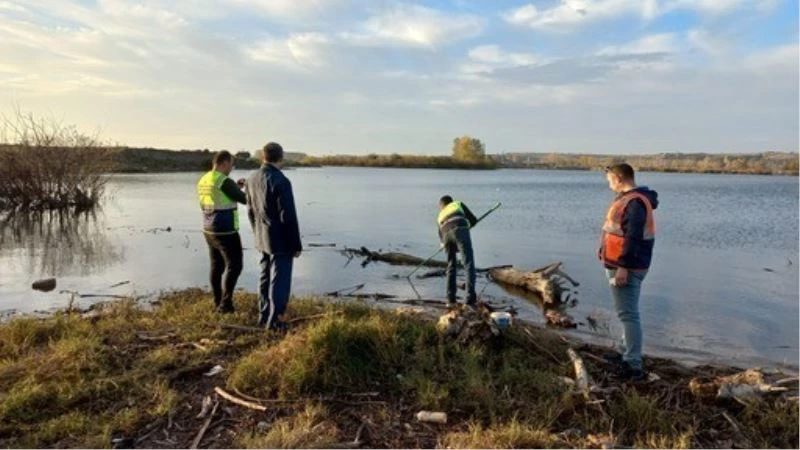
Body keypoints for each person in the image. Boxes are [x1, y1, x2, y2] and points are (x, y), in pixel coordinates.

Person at [598, 163, 659, 380]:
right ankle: (625, 353)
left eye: (610, 181)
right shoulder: (631, 199)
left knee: (628, 314)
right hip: (622, 264)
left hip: (627, 267)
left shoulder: (634, 203)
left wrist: (623, 267)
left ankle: (633, 364)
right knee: (627, 312)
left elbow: (632, 237)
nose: (609, 185)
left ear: (619, 178)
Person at [246, 142, 302, 331]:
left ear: (263, 157)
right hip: (280, 240)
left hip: (262, 237)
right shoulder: (281, 181)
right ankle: (276, 321)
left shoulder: (252, 178)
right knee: (280, 280)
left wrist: (256, 233)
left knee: (264, 276)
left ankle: (263, 316)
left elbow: (250, 210)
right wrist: (296, 244)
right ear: (281, 157)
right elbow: (289, 216)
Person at [196, 150, 247, 313]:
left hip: (208, 228)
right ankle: (226, 305)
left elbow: (218, 196)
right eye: (232, 164)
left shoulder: (204, 179)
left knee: (216, 266)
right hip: (225, 230)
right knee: (235, 265)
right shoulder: (223, 180)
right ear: (224, 163)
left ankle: (217, 301)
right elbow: (245, 199)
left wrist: (236, 188)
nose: (232, 168)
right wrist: (249, 189)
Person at [437, 195, 478, 307]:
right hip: (460, 229)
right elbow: (473, 220)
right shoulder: (458, 204)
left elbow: (441, 239)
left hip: (446, 235)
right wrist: (469, 225)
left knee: (451, 266)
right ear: (451, 201)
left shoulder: (440, 216)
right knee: (468, 264)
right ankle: (469, 300)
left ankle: (450, 300)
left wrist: (452, 245)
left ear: (442, 206)